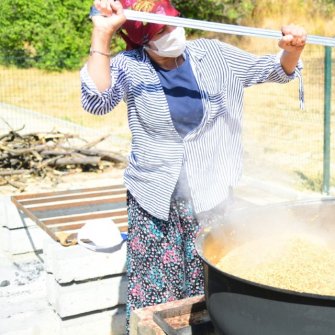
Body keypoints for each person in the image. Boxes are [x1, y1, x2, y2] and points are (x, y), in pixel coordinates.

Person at [80, 0, 305, 331]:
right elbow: (97, 100)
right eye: (162, 31)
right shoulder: (131, 66)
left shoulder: (212, 54)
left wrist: (292, 50)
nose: (173, 33)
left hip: (211, 194)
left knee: (212, 284)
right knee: (157, 296)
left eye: (173, 24)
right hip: (155, 204)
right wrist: (101, 34)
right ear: (143, 40)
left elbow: (272, 69)